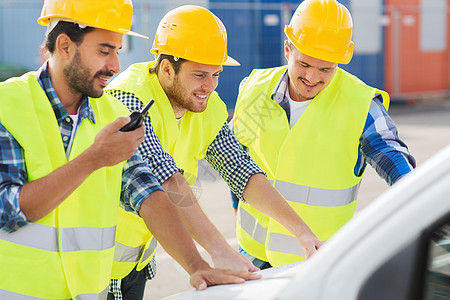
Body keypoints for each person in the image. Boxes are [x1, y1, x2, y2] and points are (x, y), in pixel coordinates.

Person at [0, 0, 261, 299]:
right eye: (104, 51)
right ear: (65, 46)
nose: (114, 66)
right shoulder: (8, 106)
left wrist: (197, 265)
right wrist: (93, 159)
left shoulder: (111, 114)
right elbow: (9, 210)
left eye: (116, 51)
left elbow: (146, 192)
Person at [105, 4, 322, 299]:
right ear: (167, 68)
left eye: (215, 74)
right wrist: (218, 251)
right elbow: (165, 179)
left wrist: (302, 232)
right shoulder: (127, 99)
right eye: (199, 75)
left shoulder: (206, 108)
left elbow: (241, 170)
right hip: (93, 264)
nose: (209, 86)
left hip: (134, 261)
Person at [229, 0, 416, 269]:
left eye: (326, 69)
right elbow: (237, 158)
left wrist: (413, 194)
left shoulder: (360, 103)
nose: (312, 77)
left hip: (317, 260)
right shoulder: (254, 88)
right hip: (253, 255)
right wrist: (237, 205)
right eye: (304, 64)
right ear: (287, 49)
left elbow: (391, 154)